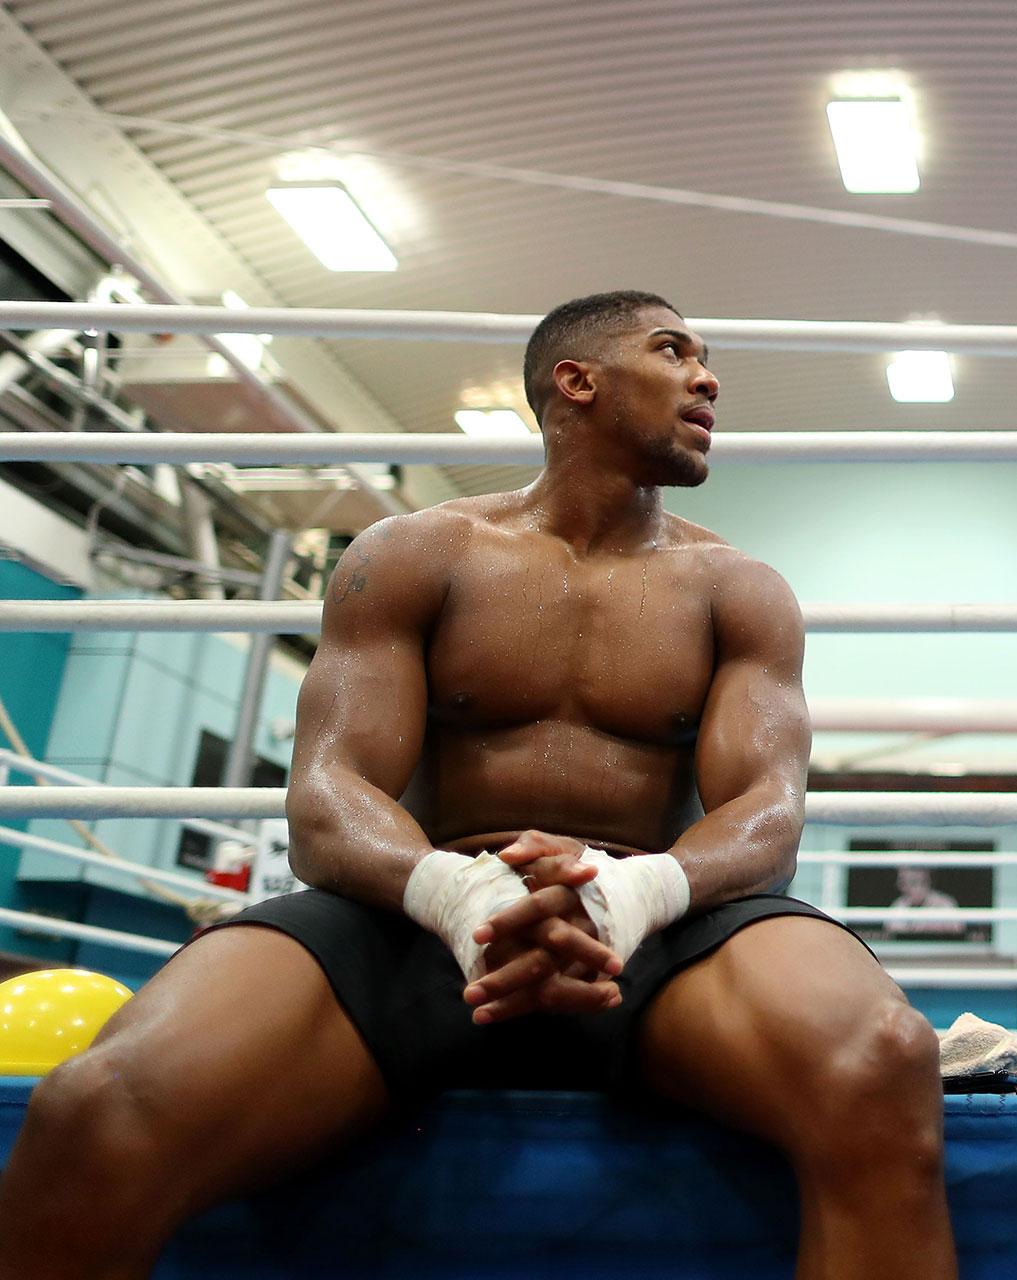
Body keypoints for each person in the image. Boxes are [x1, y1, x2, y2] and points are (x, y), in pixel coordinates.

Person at [0, 291, 957, 1278]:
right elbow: (328, 795)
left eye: (707, 361)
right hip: (415, 917)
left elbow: (767, 810)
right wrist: (458, 891)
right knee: (97, 1106)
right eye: (673, 352)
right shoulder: (412, 554)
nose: (707, 379)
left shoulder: (737, 589)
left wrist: (631, 890)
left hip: (654, 929)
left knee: (880, 1060)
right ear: (573, 382)